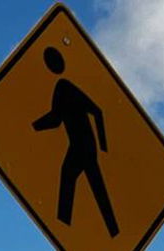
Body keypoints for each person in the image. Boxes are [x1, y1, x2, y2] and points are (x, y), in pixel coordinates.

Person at [31, 46, 119, 238]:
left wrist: (31, 127)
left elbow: (95, 111)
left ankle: (66, 226)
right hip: (83, 146)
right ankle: (110, 230)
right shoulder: (65, 87)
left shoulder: (64, 87)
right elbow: (57, 119)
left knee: (82, 183)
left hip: (82, 146)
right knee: (89, 185)